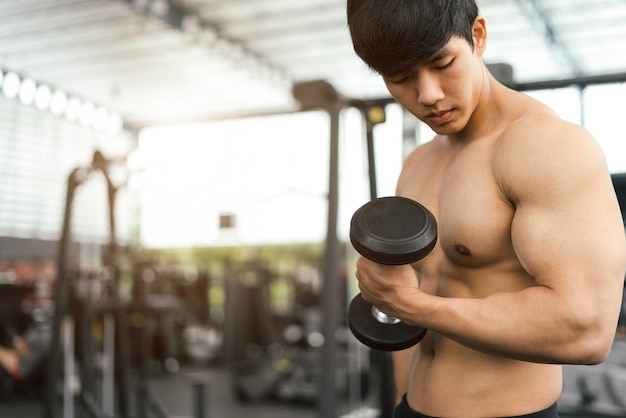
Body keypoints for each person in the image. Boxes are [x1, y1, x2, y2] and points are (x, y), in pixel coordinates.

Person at [346, 1, 626, 417]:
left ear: (477, 35)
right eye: (400, 78)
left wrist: (414, 306)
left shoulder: (545, 146)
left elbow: (585, 330)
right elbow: (406, 307)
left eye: (442, 64)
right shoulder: (418, 164)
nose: (428, 95)